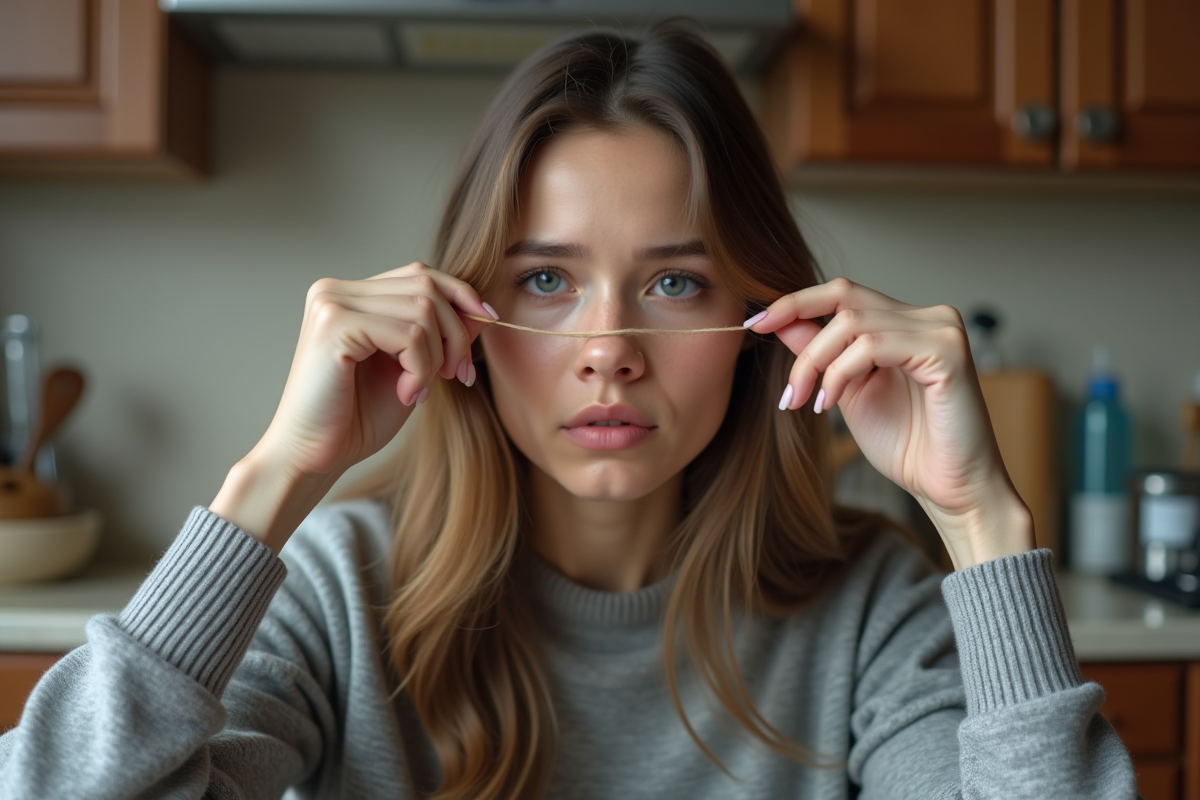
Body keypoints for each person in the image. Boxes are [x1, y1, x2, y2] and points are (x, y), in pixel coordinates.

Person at [0, 23, 1137, 800]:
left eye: (675, 281)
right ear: (463, 316)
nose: (608, 353)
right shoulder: (340, 586)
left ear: (765, 314)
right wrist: (272, 479)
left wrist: (984, 519)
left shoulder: (875, 608)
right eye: (545, 280)